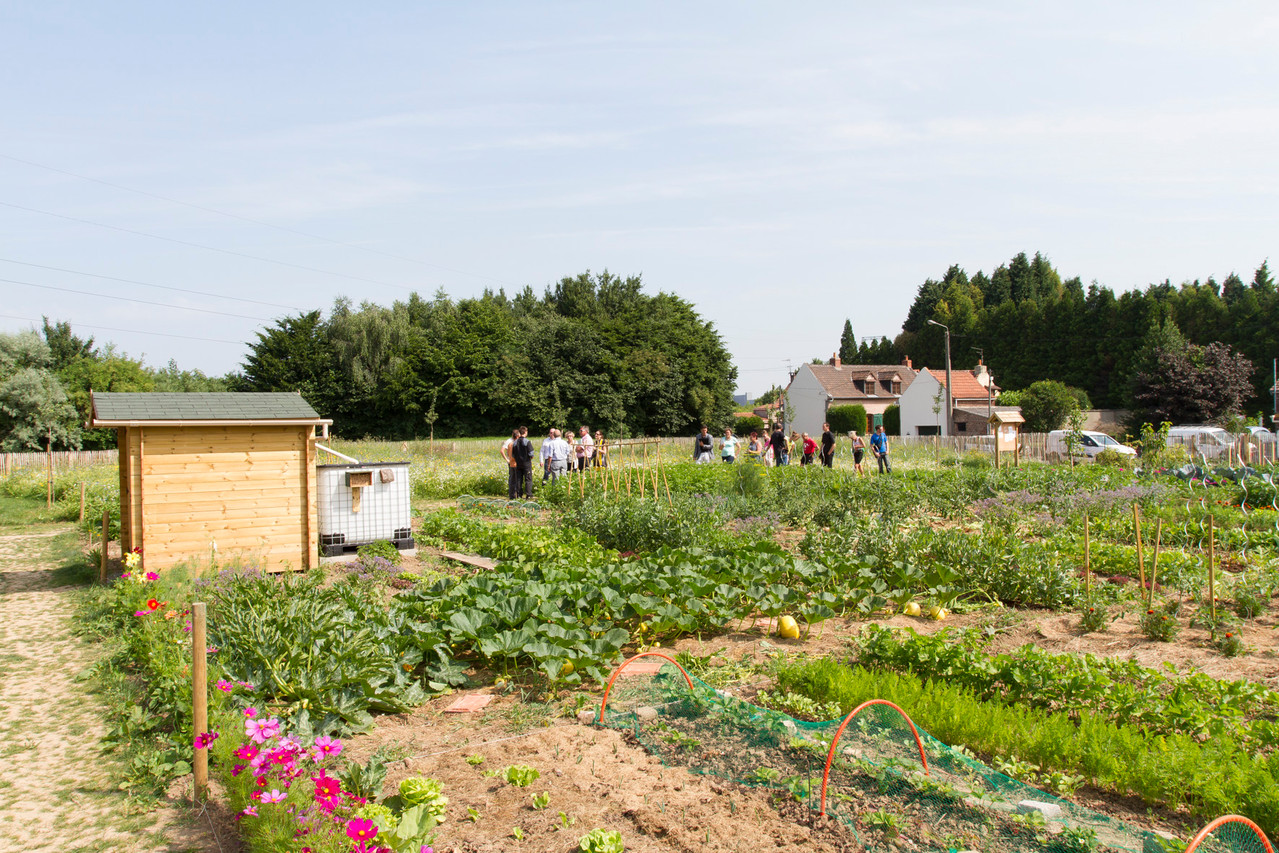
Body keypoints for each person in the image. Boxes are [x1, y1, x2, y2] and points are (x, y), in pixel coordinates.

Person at [512, 426, 535, 498]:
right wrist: (530, 458)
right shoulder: (527, 441)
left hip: (518, 463)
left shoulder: (515, 442)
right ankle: (528, 494)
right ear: (525, 432)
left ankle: (519, 495)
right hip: (526, 463)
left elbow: (513, 454)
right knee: (528, 479)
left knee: (519, 479)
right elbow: (531, 453)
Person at [501, 428, 521, 499]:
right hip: (513, 462)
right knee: (514, 478)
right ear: (517, 435)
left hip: (512, 462)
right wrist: (507, 459)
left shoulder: (511, 441)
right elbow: (502, 451)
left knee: (513, 478)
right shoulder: (510, 442)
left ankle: (513, 495)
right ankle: (514, 495)